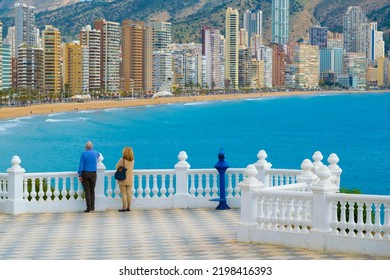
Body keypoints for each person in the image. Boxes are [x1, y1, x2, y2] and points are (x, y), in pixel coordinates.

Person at [78, 141, 100, 213]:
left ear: (86, 147)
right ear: (92, 147)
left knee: (87, 191)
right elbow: (100, 156)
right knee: (92, 190)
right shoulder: (96, 153)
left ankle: (88, 208)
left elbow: (81, 165)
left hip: (85, 174)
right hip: (93, 173)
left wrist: (80, 174)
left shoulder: (84, 154)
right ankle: (92, 208)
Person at [115, 146, 135, 212]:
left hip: (123, 178)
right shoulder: (132, 161)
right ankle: (129, 207)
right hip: (130, 178)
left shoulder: (122, 160)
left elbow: (116, 167)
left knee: (123, 193)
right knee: (129, 193)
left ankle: (124, 207)